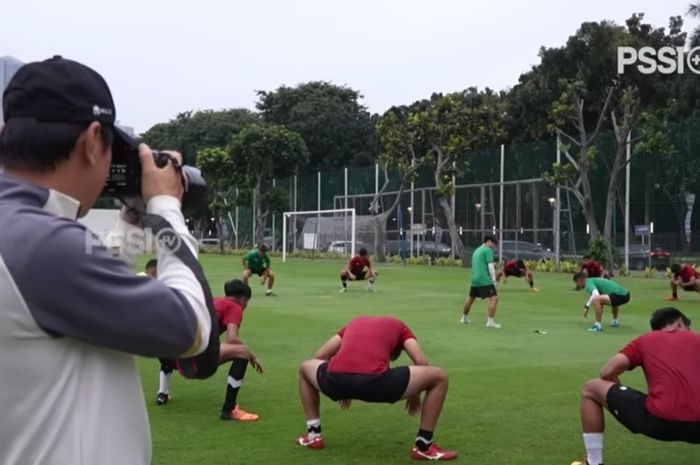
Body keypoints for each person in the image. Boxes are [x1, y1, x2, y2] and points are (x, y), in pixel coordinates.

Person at [0, 57, 212, 465]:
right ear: (94, 139)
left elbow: (79, 299)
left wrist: (132, 223)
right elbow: (192, 328)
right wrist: (166, 208)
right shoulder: (45, 245)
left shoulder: (26, 232)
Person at [296, 316, 457, 461]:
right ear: (397, 349)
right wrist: (414, 394)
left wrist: (345, 384)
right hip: (377, 383)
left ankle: (313, 435)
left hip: (336, 380)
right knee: (439, 377)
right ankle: (424, 446)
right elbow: (421, 362)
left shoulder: (355, 322)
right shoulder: (401, 327)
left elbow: (321, 356)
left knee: (305, 367)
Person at [570, 308, 700, 465]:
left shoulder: (647, 339)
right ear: (680, 322)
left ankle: (594, 462)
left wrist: (618, 398)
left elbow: (607, 372)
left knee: (591, 388)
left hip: (659, 420)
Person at [216, 279, 263, 421]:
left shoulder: (214, 301)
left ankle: (163, 392)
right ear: (243, 299)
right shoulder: (234, 306)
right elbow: (232, 339)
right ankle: (229, 410)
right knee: (242, 352)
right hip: (196, 354)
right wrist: (252, 355)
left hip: (175, 352)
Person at [461, 236, 501, 328]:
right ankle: (490, 322)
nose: (493, 246)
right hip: (484, 279)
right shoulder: (487, 250)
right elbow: (491, 267)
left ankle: (464, 318)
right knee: (494, 298)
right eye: (493, 243)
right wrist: (494, 280)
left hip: (475, 278)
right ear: (489, 241)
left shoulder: (477, 250)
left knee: (471, 298)